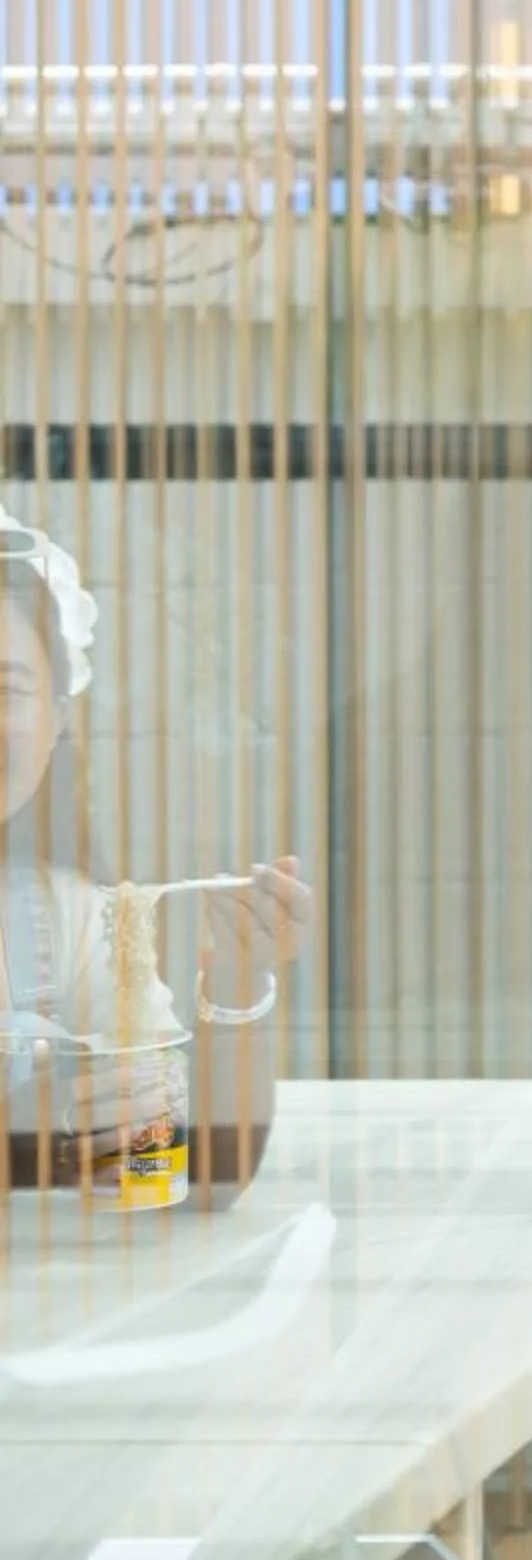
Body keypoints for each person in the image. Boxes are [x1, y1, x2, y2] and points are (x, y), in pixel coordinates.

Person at [0, 512, 316, 1199]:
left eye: (5, 691)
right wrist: (33, 1135)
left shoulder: (63, 918)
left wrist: (236, 981)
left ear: (57, 721)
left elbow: (188, 1177)